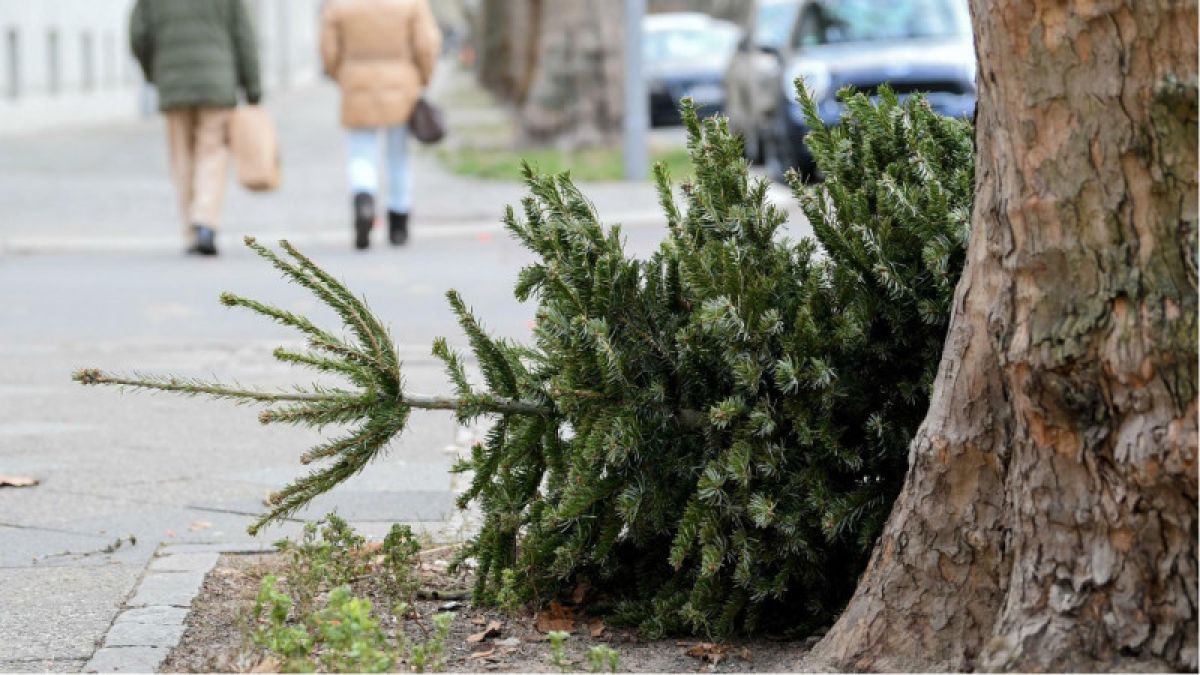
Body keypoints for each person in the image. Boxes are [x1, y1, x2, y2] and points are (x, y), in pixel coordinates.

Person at [130, 0, 262, 257]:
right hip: (217, 82)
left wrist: (154, 72)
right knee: (212, 153)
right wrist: (253, 87)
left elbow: (138, 35)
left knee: (182, 156)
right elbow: (244, 36)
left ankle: (191, 231)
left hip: (172, 81)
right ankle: (206, 222)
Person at [320, 0, 442, 250]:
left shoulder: (339, 5)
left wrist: (339, 73)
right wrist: (424, 76)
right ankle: (398, 222)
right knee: (398, 156)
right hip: (401, 82)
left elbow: (328, 48)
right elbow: (426, 44)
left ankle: (364, 201)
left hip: (356, 82)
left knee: (360, 151)